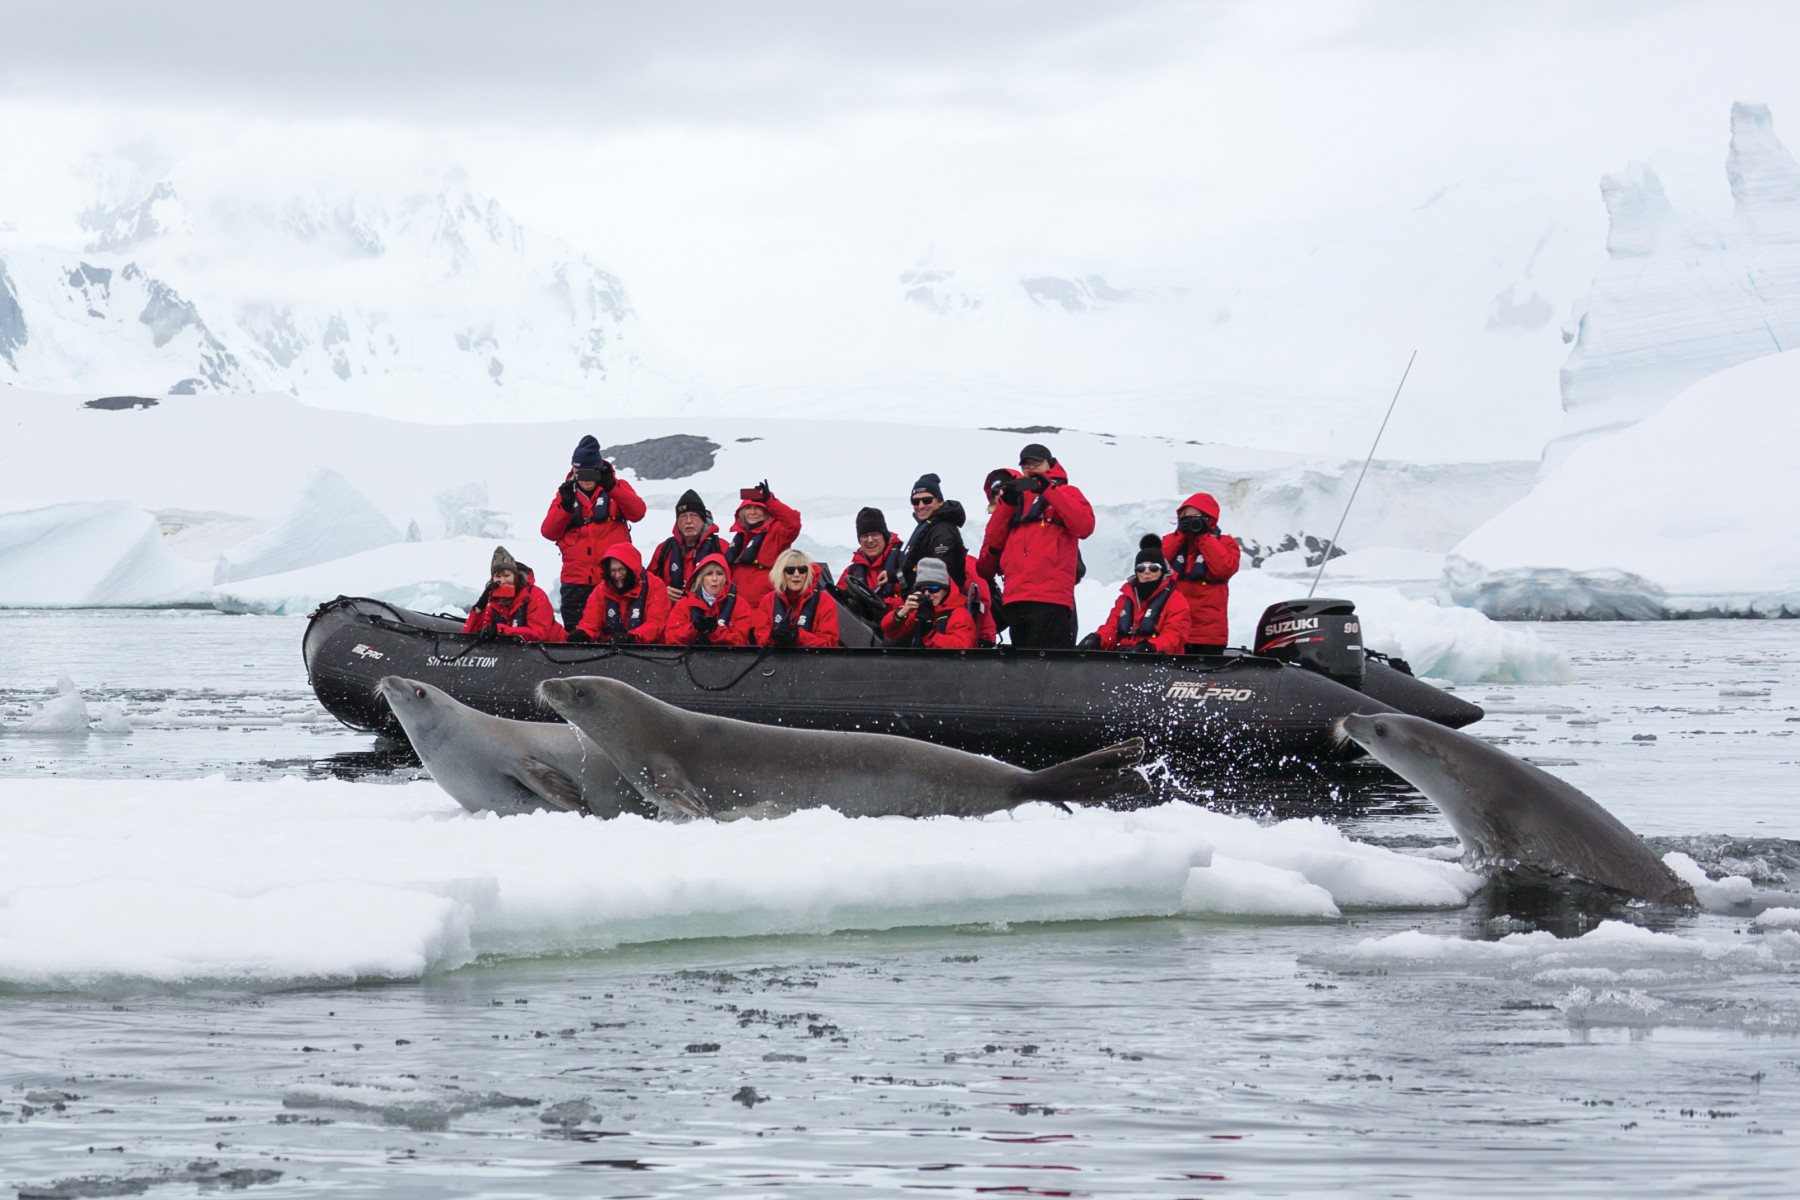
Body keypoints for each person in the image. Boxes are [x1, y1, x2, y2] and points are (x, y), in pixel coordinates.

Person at [981, 442, 1095, 648]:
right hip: (1017, 598)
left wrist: (1049, 489)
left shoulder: (1067, 492)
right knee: (1025, 667)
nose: (1031, 468)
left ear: (1050, 464)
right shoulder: (1016, 500)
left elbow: (1084, 526)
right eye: (1025, 465)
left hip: (1052, 597)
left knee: (1049, 665)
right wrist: (1006, 502)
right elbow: (992, 544)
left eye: (1036, 463)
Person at [541, 435, 647, 630]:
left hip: (614, 580)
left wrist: (613, 487)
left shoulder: (617, 488)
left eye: (591, 471)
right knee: (577, 638)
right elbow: (548, 532)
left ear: (599, 469)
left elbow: (638, 512)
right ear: (573, 469)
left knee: (616, 634)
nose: (586, 478)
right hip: (576, 583)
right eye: (581, 471)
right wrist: (564, 506)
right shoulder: (565, 493)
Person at [1080, 536, 1192, 654]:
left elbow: (1174, 638)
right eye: (1141, 568)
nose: (1147, 571)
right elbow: (1112, 629)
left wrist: (1148, 647)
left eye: (1153, 568)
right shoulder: (1125, 598)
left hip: (1158, 661)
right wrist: (1097, 638)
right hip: (1125, 659)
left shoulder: (1176, 601)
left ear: (1162, 571)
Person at [1160, 492, 1241, 654]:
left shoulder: (1225, 543)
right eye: (1186, 517)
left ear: (1209, 519)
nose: (1191, 522)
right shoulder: (1171, 542)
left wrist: (1204, 537)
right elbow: (1155, 565)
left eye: (1196, 517)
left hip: (1209, 635)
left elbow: (1224, 569)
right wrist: (1179, 536)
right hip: (1173, 631)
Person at [725, 479, 802, 610]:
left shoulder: (777, 533)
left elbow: (793, 523)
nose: (753, 512)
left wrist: (769, 501)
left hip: (767, 609)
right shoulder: (740, 538)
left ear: (767, 511)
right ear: (742, 512)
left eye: (758, 508)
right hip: (738, 610)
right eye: (748, 508)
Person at [462, 546, 565, 643]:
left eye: (507, 575)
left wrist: (501, 631)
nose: (502, 581)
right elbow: (468, 635)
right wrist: (479, 608)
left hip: (555, 649)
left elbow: (539, 634)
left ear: (515, 576)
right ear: (493, 579)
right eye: (498, 577)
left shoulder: (535, 595)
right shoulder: (492, 600)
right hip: (518, 652)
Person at [570, 543, 669, 644]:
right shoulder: (601, 590)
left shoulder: (655, 586)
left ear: (631, 569)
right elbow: (590, 622)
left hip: (646, 651)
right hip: (611, 652)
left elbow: (656, 624)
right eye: (613, 571)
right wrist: (584, 633)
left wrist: (633, 637)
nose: (617, 575)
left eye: (621, 570)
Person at [880, 556, 977, 649]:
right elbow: (889, 631)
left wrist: (929, 634)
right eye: (922, 589)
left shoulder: (959, 614)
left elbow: (961, 648)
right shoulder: (916, 611)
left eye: (934, 589)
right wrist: (902, 612)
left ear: (946, 590)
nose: (927, 594)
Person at [648, 489, 723, 604]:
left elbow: (734, 584)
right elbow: (647, 582)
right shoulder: (665, 548)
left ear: (703, 520)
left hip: (708, 615)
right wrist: (662, 591)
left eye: (693, 516)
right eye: (683, 516)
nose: (688, 521)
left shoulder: (720, 547)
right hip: (672, 616)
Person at [665, 552, 756, 647]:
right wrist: (693, 628)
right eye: (709, 574)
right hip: (691, 658)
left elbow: (740, 642)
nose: (714, 578)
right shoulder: (684, 605)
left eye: (720, 574)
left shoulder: (740, 605)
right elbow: (671, 640)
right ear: (701, 578)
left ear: (726, 578)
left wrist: (716, 631)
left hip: (729, 659)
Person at [756, 548, 840, 648]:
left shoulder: (824, 601)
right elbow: (760, 639)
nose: (796, 575)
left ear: (808, 573)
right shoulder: (768, 601)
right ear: (780, 573)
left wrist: (798, 637)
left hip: (813, 661)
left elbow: (830, 644)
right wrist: (772, 637)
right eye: (790, 570)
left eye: (802, 570)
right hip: (775, 660)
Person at [899, 473, 968, 591]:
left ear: (940, 502)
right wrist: (892, 575)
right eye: (915, 501)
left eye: (927, 500)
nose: (920, 506)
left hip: (937, 601)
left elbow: (939, 576)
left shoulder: (942, 532)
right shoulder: (929, 527)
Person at [836, 507, 905, 621]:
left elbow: (913, 597)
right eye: (864, 536)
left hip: (899, 628)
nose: (870, 540)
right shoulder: (851, 572)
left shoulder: (904, 564)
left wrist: (884, 606)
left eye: (874, 534)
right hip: (862, 632)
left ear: (884, 536)